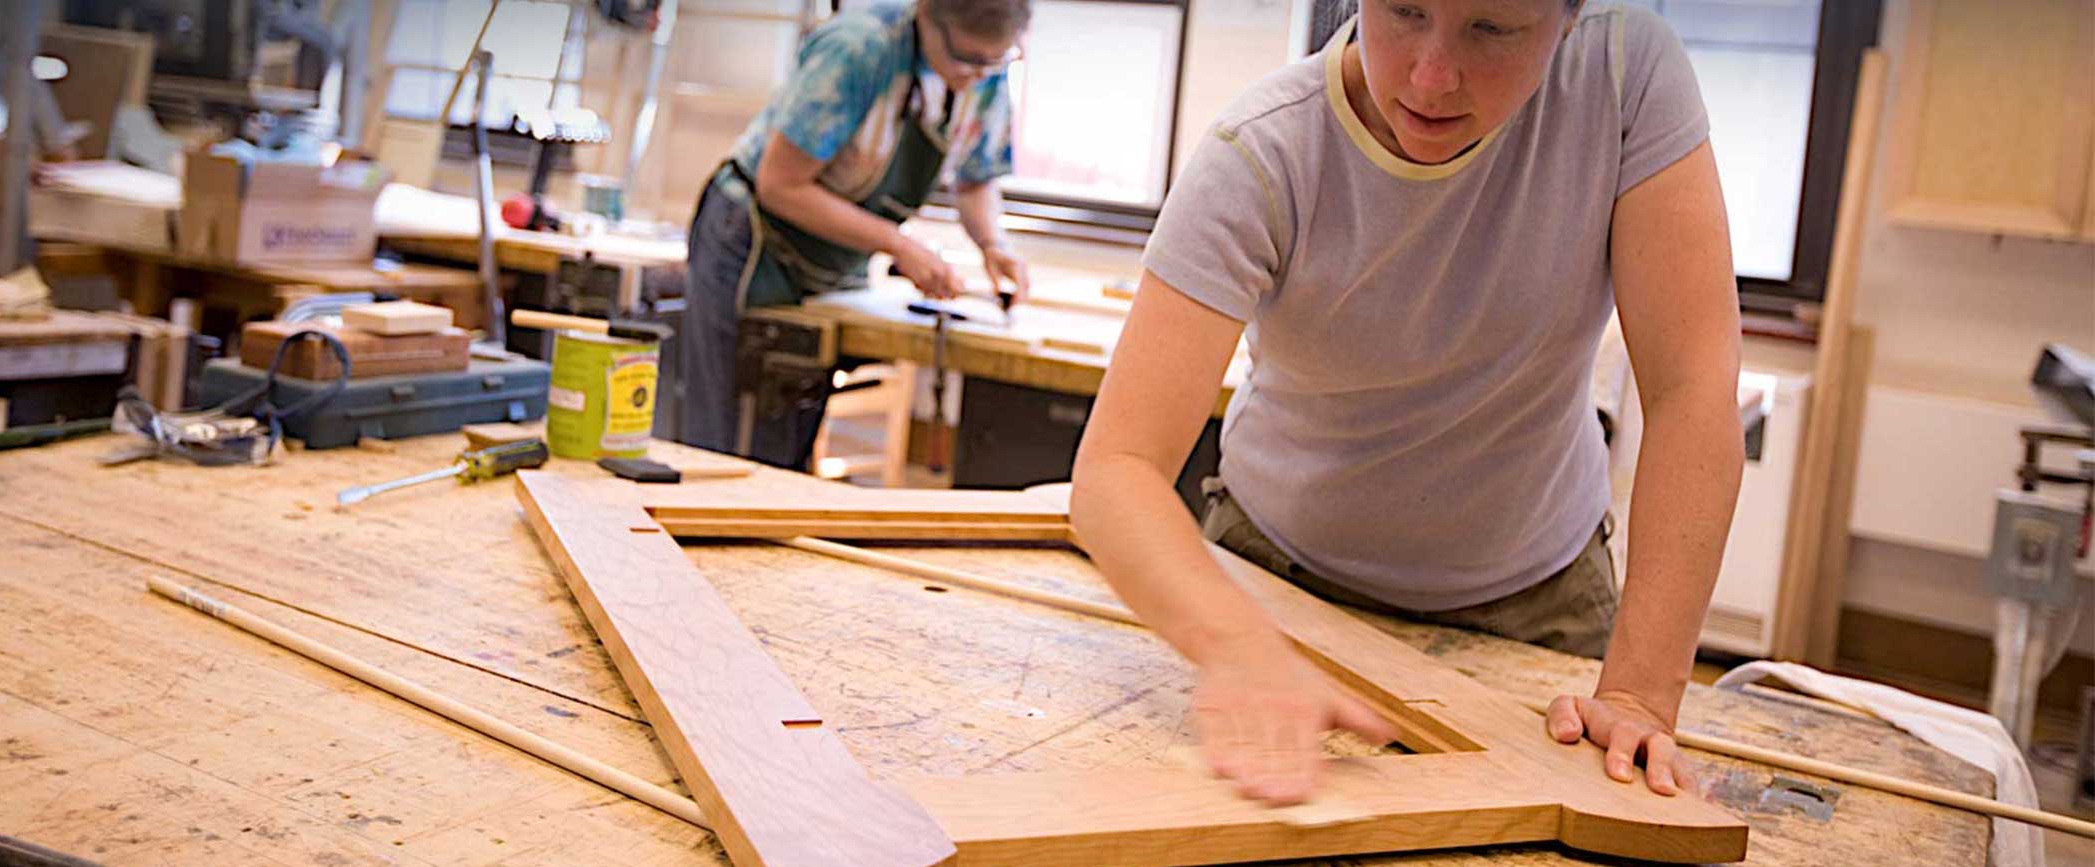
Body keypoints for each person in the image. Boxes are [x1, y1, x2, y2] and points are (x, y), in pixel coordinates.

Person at [1070, 0, 1744, 806]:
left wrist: (1638, 694)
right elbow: (1116, 470)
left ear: (1569, 17)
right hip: (1275, 584)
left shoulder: (1624, 76)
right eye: (1402, 12)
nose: (1432, 77)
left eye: (1492, 31)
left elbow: (1691, 389)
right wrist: (1236, 645)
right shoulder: (1262, 150)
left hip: (1539, 595)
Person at [663, 0, 1032, 467]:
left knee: (791, 427)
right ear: (926, 15)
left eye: (994, 61)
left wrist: (992, 244)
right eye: (966, 59)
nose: (978, 75)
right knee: (728, 429)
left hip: (837, 249)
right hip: (754, 237)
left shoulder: (986, 68)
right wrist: (897, 243)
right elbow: (780, 185)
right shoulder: (859, 50)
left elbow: (977, 177)